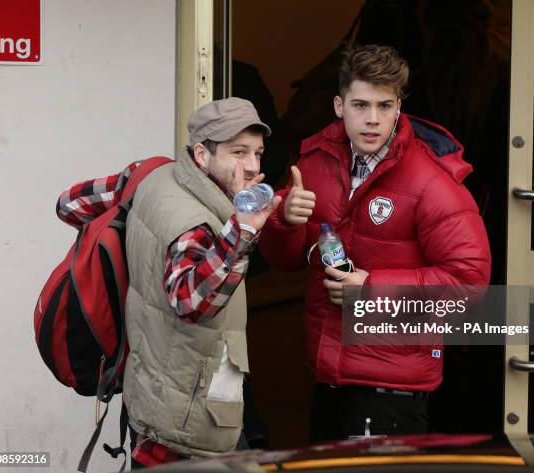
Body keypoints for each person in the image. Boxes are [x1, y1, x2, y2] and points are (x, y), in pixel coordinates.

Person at [258, 45, 491, 441]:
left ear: (399, 107)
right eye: (360, 105)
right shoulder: (313, 164)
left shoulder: (430, 180)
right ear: (338, 105)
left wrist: (368, 290)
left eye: (385, 106)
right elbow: (284, 260)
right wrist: (284, 222)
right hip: (329, 378)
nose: (372, 120)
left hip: (393, 389)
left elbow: (468, 280)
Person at [56, 98, 281, 468]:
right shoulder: (195, 224)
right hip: (186, 423)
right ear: (202, 154)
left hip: (149, 395)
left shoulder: (149, 174)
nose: (253, 166)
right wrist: (242, 233)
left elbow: (70, 205)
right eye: (238, 153)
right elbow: (192, 304)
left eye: (257, 153)